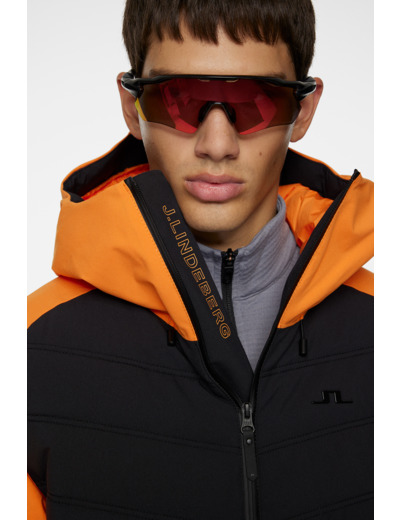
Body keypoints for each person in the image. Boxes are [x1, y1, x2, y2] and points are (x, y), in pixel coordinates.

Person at [27, 0, 374, 518]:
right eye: (179, 99)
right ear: (132, 106)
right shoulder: (30, 347)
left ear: (302, 110)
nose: (217, 145)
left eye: (257, 101)